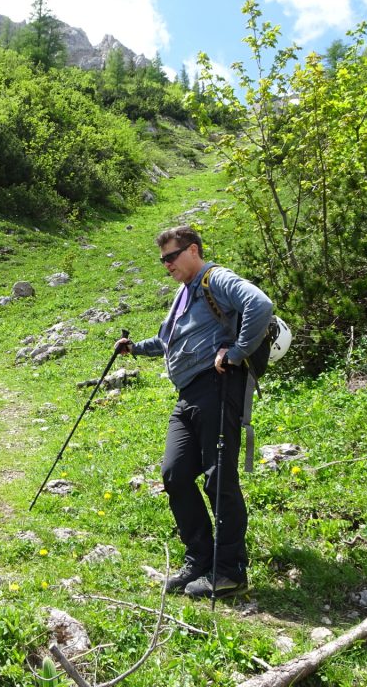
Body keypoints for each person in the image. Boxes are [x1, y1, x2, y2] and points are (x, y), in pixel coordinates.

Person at [116, 226, 273, 599]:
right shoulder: (184, 294)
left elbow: (260, 305)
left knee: (219, 479)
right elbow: (169, 342)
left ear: (194, 250)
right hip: (188, 395)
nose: (166, 264)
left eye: (172, 256)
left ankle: (229, 570)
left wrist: (235, 353)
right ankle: (200, 558)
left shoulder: (214, 278)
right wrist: (135, 348)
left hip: (218, 388)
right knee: (175, 473)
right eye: (162, 260)